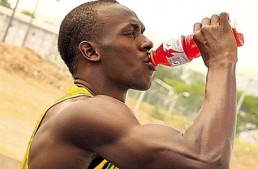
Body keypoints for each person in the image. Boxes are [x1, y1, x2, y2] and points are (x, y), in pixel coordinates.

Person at [21, 0, 238, 168]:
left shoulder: (89, 111)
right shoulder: (87, 112)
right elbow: (207, 161)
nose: (147, 42)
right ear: (91, 51)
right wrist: (222, 60)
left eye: (142, 32)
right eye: (130, 33)